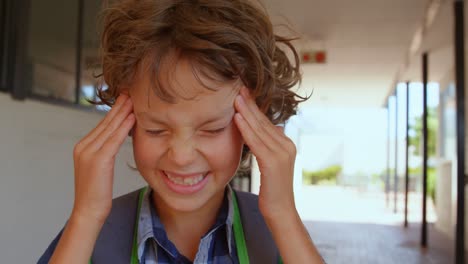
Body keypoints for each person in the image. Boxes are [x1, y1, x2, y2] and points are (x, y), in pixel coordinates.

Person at [38, 0, 324, 263]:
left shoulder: (277, 233)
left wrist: (283, 214)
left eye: (212, 129)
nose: (182, 156)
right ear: (127, 120)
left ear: (254, 123)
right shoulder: (91, 234)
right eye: (155, 129)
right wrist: (86, 215)